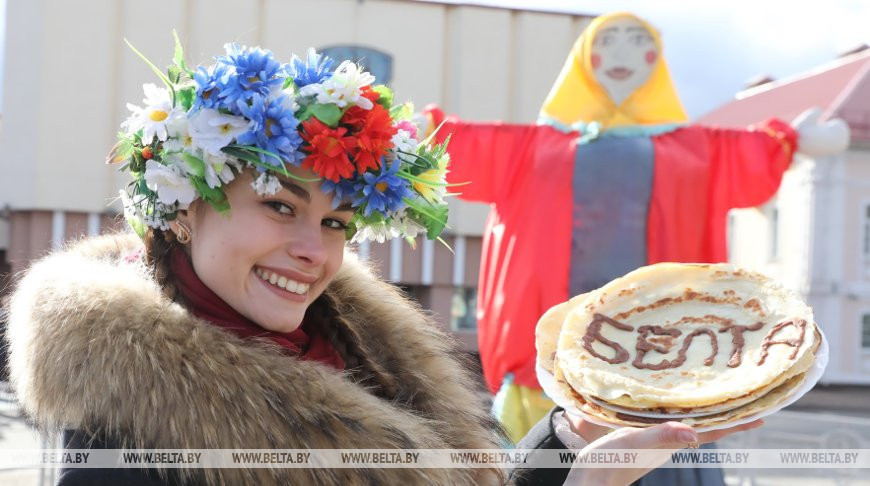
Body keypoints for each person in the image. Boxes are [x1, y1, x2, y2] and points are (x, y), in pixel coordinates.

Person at [5, 40, 760, 486]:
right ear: (181, 207)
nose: (314, 251)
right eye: (279, 206)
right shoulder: (125, 409)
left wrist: (569, 443)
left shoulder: (361, 343)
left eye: (336, 222)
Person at [423, 11, 849, 448]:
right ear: (585, 59)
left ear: (655, 60)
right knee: (544, 455)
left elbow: (740, 155)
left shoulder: (689, 149)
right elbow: (471, 146)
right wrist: (426, 135)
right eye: (608, 43)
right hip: (543, 364)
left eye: (635, 42)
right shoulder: (534, 147)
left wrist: (790, 141)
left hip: (670, 359)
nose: (622, 55)